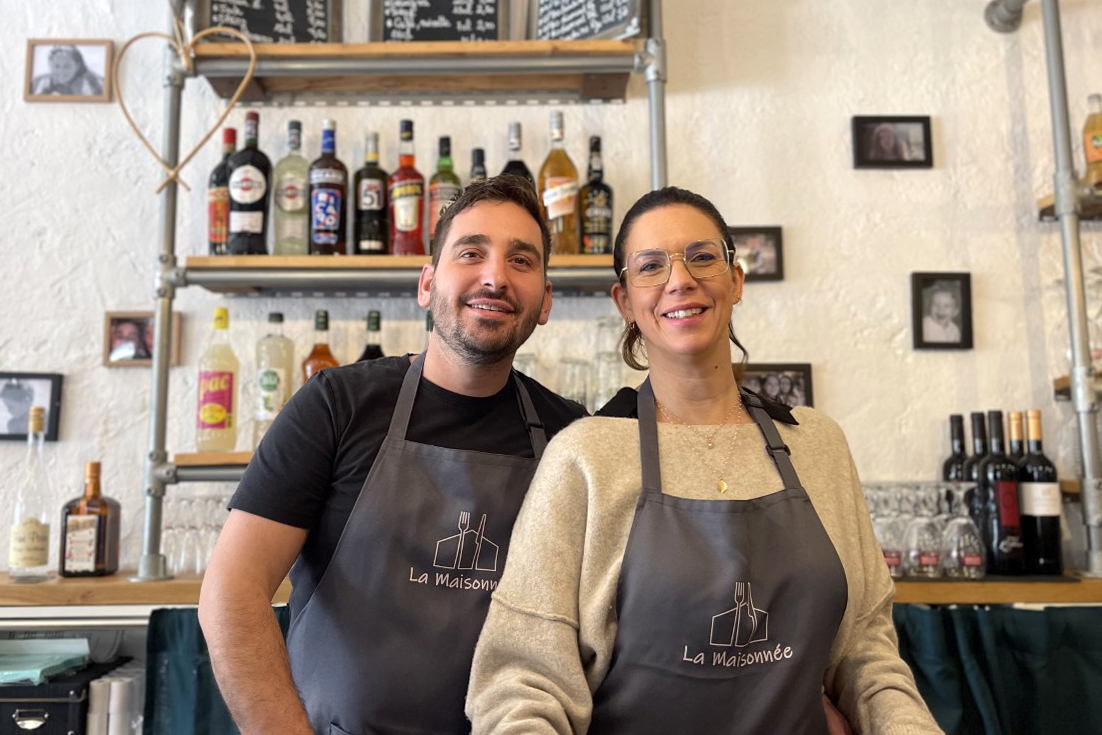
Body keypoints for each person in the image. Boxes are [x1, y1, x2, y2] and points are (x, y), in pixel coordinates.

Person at [466, 186, 943, 735]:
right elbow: (522, 685)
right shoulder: (585, 458)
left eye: (702, 256)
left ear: (735, 279)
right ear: (624, 301)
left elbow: (867, 654)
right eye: (651, 266)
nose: (680, 279)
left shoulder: (818, 445)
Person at [198, 176, 587, 735]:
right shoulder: (336, 406)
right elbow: (232, 591)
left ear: (545, 301)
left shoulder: (568, 435)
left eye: (521, 261)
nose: (495, 276)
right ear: (427, 283)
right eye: (471, 253)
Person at [31, 45, 104, 96]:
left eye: (67, 66)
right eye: (56, 66)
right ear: (50, 65)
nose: (61, 71)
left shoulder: (92, 83)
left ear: (78, 66)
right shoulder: (39, 82)